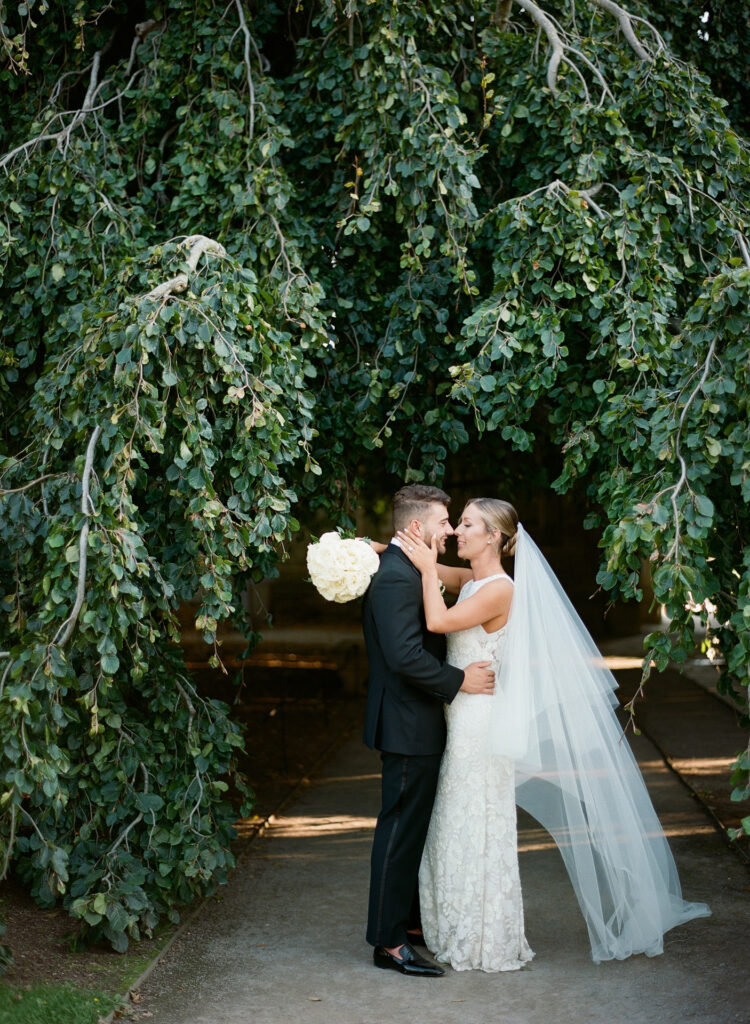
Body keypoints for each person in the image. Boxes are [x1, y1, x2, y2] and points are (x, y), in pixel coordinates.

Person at [397, 497, 711, 971]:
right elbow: (449, 578)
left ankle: (488, 939)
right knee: (455, 822)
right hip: (461, 717)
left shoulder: (500, 589)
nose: (458, 531)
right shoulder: (474, 580)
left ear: (494, 538)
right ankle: (457, 926)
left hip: (481, 725)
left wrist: (424, 569)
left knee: (476, 821)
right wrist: (378, 548)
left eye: (467, 524)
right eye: (458, 522)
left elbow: (438, 620)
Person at [362, 484, 496, 977]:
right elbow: (404, 657)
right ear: (417, 526)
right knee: (398, 829)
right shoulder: (398, 578)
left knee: (412, 827)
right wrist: (460, 681)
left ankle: (408, 924)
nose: (449, 530)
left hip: (413, 720)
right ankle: (389, 942)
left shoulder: (402, 567)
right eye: (444, 521)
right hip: (407, 722)